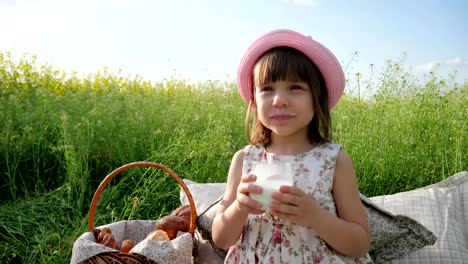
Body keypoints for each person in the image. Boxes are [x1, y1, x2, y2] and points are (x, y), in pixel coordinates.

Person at [211, 29, 373, 263]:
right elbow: (221, 239)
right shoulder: (245, 159)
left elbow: (359, 244)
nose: (279, 100)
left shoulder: (333, 159)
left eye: (295, 87)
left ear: (317, 100)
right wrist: (239, 207)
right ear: (254, 102)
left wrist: (315, 216)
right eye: (267, 89)